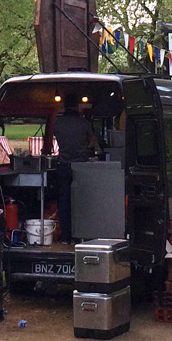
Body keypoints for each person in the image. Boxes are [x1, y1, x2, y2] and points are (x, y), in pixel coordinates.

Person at [51, 93, 97, 242]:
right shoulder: (83, 123)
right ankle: (81, 236)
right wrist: (85, 149)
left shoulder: (58, 123)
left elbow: (51, 140)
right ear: (77, 106)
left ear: (64, 106)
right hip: (81, 167)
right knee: (82, 201)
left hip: (64, 165)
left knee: (64, 201)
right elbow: (92, 141)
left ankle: (65, 236)